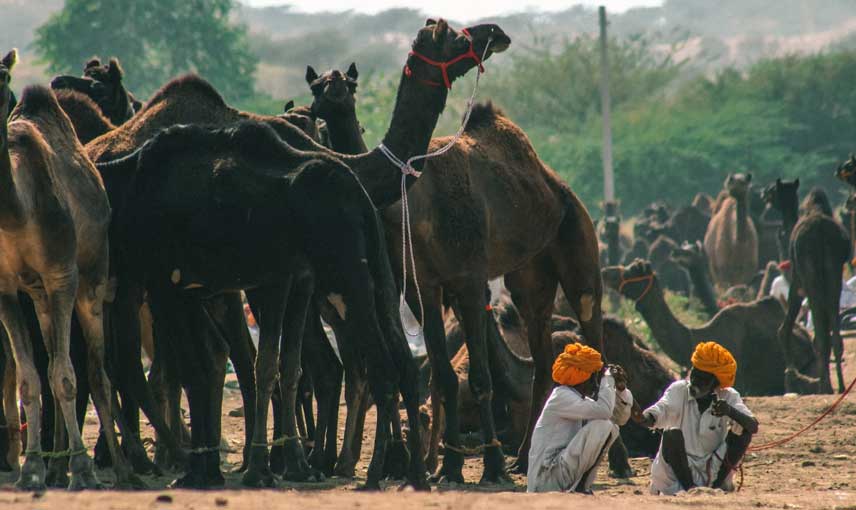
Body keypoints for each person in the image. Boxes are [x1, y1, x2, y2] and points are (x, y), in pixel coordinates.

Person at [634, 342, 758, 495]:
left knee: (743, 431)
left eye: (702, 379)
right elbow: (659, 410)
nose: (695, 382)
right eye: (694, 374)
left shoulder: (728, 396)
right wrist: (642, 417)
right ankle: (690, 489)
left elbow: (753, 426)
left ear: (715, 383)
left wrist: (730, 411)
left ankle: (714, 489)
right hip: (676, 473)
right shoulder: (679, 390)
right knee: (671, 434)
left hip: (713, 469)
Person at [527, 343, 632, 493]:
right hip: (545, 478)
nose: (595, 382)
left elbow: (619, 418)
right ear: (584, 377)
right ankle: (581, 487)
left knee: (610, 426)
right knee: (603, 426)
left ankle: (582, 486)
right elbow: (605, 411)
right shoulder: (562, 396)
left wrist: (620, 389)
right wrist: (607, 379)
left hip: (556, 473)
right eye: (594, 376)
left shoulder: (577, 400)